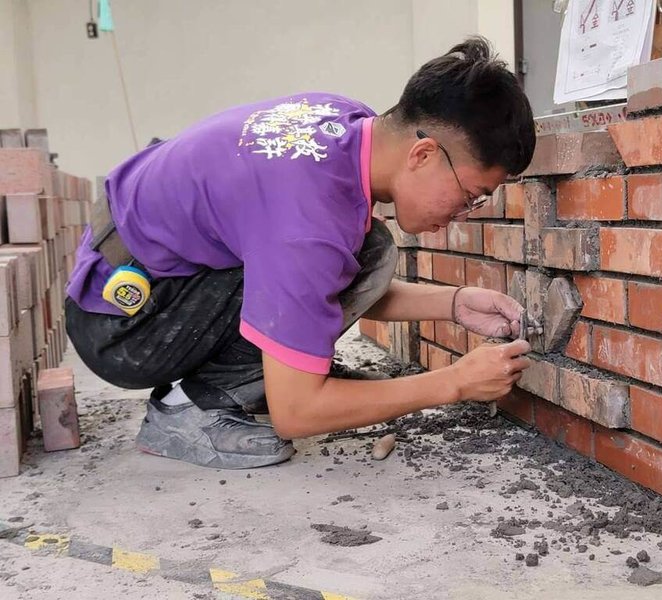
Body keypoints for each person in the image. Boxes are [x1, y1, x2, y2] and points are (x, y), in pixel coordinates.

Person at [65, 37, 536, 469]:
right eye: (472, 194)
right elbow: (298, 413)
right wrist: (451, 382)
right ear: (424, 154)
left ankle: (254, 377)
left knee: (367, 247)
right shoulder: (308, 217)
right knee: (357, 255)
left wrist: (453, 303)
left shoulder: (347, 126)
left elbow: (323, 280)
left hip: (146, 276)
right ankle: (190, 407)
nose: (465, 214)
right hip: (126, 324)